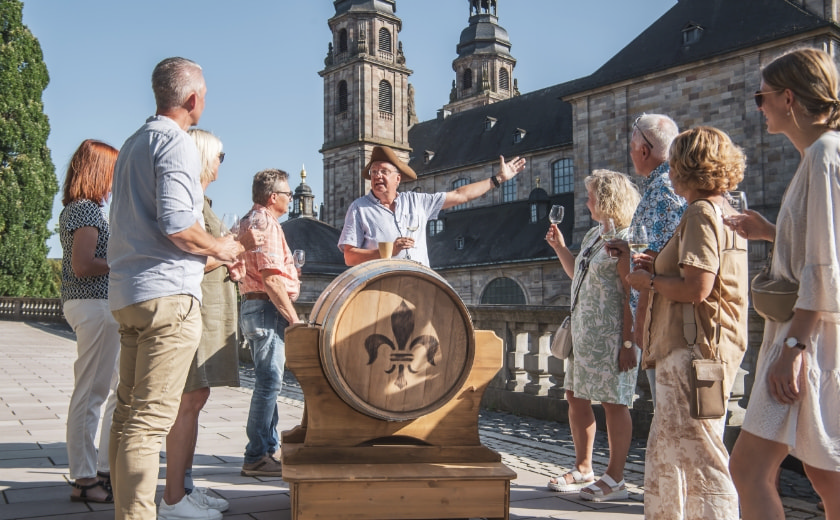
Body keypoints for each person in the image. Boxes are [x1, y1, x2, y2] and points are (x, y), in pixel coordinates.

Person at [107, 57, 241, 520]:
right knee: (147, 424)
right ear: (192, 98)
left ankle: (128, 511)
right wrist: (222, 247)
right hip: (167, 297)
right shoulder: (177, 143)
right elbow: (178, 225)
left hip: (129, 295)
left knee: (127, 418)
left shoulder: (131, 144)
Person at [728, 47, 840, 520]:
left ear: (789, 98)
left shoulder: (823, 156)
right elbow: (821, 244)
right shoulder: (818, 155)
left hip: (807, 337)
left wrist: (793, 346)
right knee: (826, 476)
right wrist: (771, 231)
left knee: (750, 470)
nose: (760, 106)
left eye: (762, 96)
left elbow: (825, 264)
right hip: (809, 335)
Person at [626, 126, 748, 519]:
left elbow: (697, 288)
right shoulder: (728, 211)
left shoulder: (699, 212)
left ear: (687, 167)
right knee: (675, 450)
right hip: (708, 350)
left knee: (699, 457)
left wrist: (650, 281)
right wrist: (658, 263)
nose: (670, 171)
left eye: (675, 163)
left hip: (692, 353)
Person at [159, 129, 255, 519]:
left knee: (196, 399)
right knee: (187, 400)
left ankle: (186, 487)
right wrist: (231, 248)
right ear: (202, 157)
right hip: (194, 308)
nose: (220, 164)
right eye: (218, 156)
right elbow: (186, 261)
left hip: (208, 306)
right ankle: (172, 499)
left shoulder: (202, 200)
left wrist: (229, 261)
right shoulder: (190, 202)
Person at [545, 170, 640, 501]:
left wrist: (629, 343)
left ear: (608, 199)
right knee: (575, 397)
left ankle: (615, 478)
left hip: (613, 334)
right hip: (584, 335)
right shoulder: (592, 236)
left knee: (614, 402)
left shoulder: (628, 237)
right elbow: (577, 276)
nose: (586, 202)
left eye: (591, 197)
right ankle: (584, 468)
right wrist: (560, 248)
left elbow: (633, 293)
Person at [339, 145, 526, 267]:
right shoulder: (359, 208)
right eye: (373, 172)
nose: (377, 176)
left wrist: (498, 179)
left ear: (398, 178)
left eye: (384, 172)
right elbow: (349, 257)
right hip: (380, 288)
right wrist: (388, 251)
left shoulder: (417, 202)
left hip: (421, 285)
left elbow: (460, 195)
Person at [59, 139, 120, 504]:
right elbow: (83, 266)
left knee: (96, 391)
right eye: (111, 172)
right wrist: (123, 261)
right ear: (98, 171)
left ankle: (96, 470)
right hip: (94, 304)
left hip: (91, 305)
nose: (114, 181)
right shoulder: (87, 211)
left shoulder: (79, 209)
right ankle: (84, 479)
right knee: (92, 394)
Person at [237, 168, 302, 477]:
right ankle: (256, 455)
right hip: (266, 308)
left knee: (268, 382)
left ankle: (266, 450)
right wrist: (294, 318)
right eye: (288, 193)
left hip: (254, 308)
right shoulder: (266, 224)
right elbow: (271, 278)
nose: (291, 198)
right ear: (274, 196)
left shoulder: (248, 220)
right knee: (269, 383)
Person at [624, 113, 685, 405]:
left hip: (659, 320)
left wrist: (641, 322)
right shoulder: (667, 184)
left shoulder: (662, 189)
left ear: (644, 151)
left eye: (632, 147)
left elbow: (655, 260)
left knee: (669, 410)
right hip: (660, 316)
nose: (632, 153)